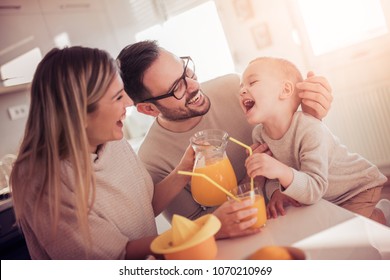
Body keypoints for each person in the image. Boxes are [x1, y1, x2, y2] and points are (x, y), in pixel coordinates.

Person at [117, 40, 334, 238]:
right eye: (177, 88)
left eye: (186, 70)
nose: (193, 86)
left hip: (306, 207)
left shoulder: (234, 89)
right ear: (149, 109)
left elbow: (297, 137)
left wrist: (311, 114)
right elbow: (196, 227)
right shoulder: (152, 160)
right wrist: (251, 182)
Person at [10, 46, 199, 260]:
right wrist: (200, 232)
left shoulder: (110, 141)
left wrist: (185, 168)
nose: (129, 103)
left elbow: (145, 207)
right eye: (118, 97)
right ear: (79, 112)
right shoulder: (44, 179)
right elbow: (114, 255)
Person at [242, 56, 388, 225]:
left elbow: (315, 187)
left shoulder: (310, 128)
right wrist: (276, 192)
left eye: (252, 83)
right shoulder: (259, 135)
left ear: (285, 90)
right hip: (329, 195)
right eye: (241, 86)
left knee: (349, 232)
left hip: (357, 188)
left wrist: (280, 170)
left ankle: (382, 216)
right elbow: (272, 176)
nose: (242, 90)